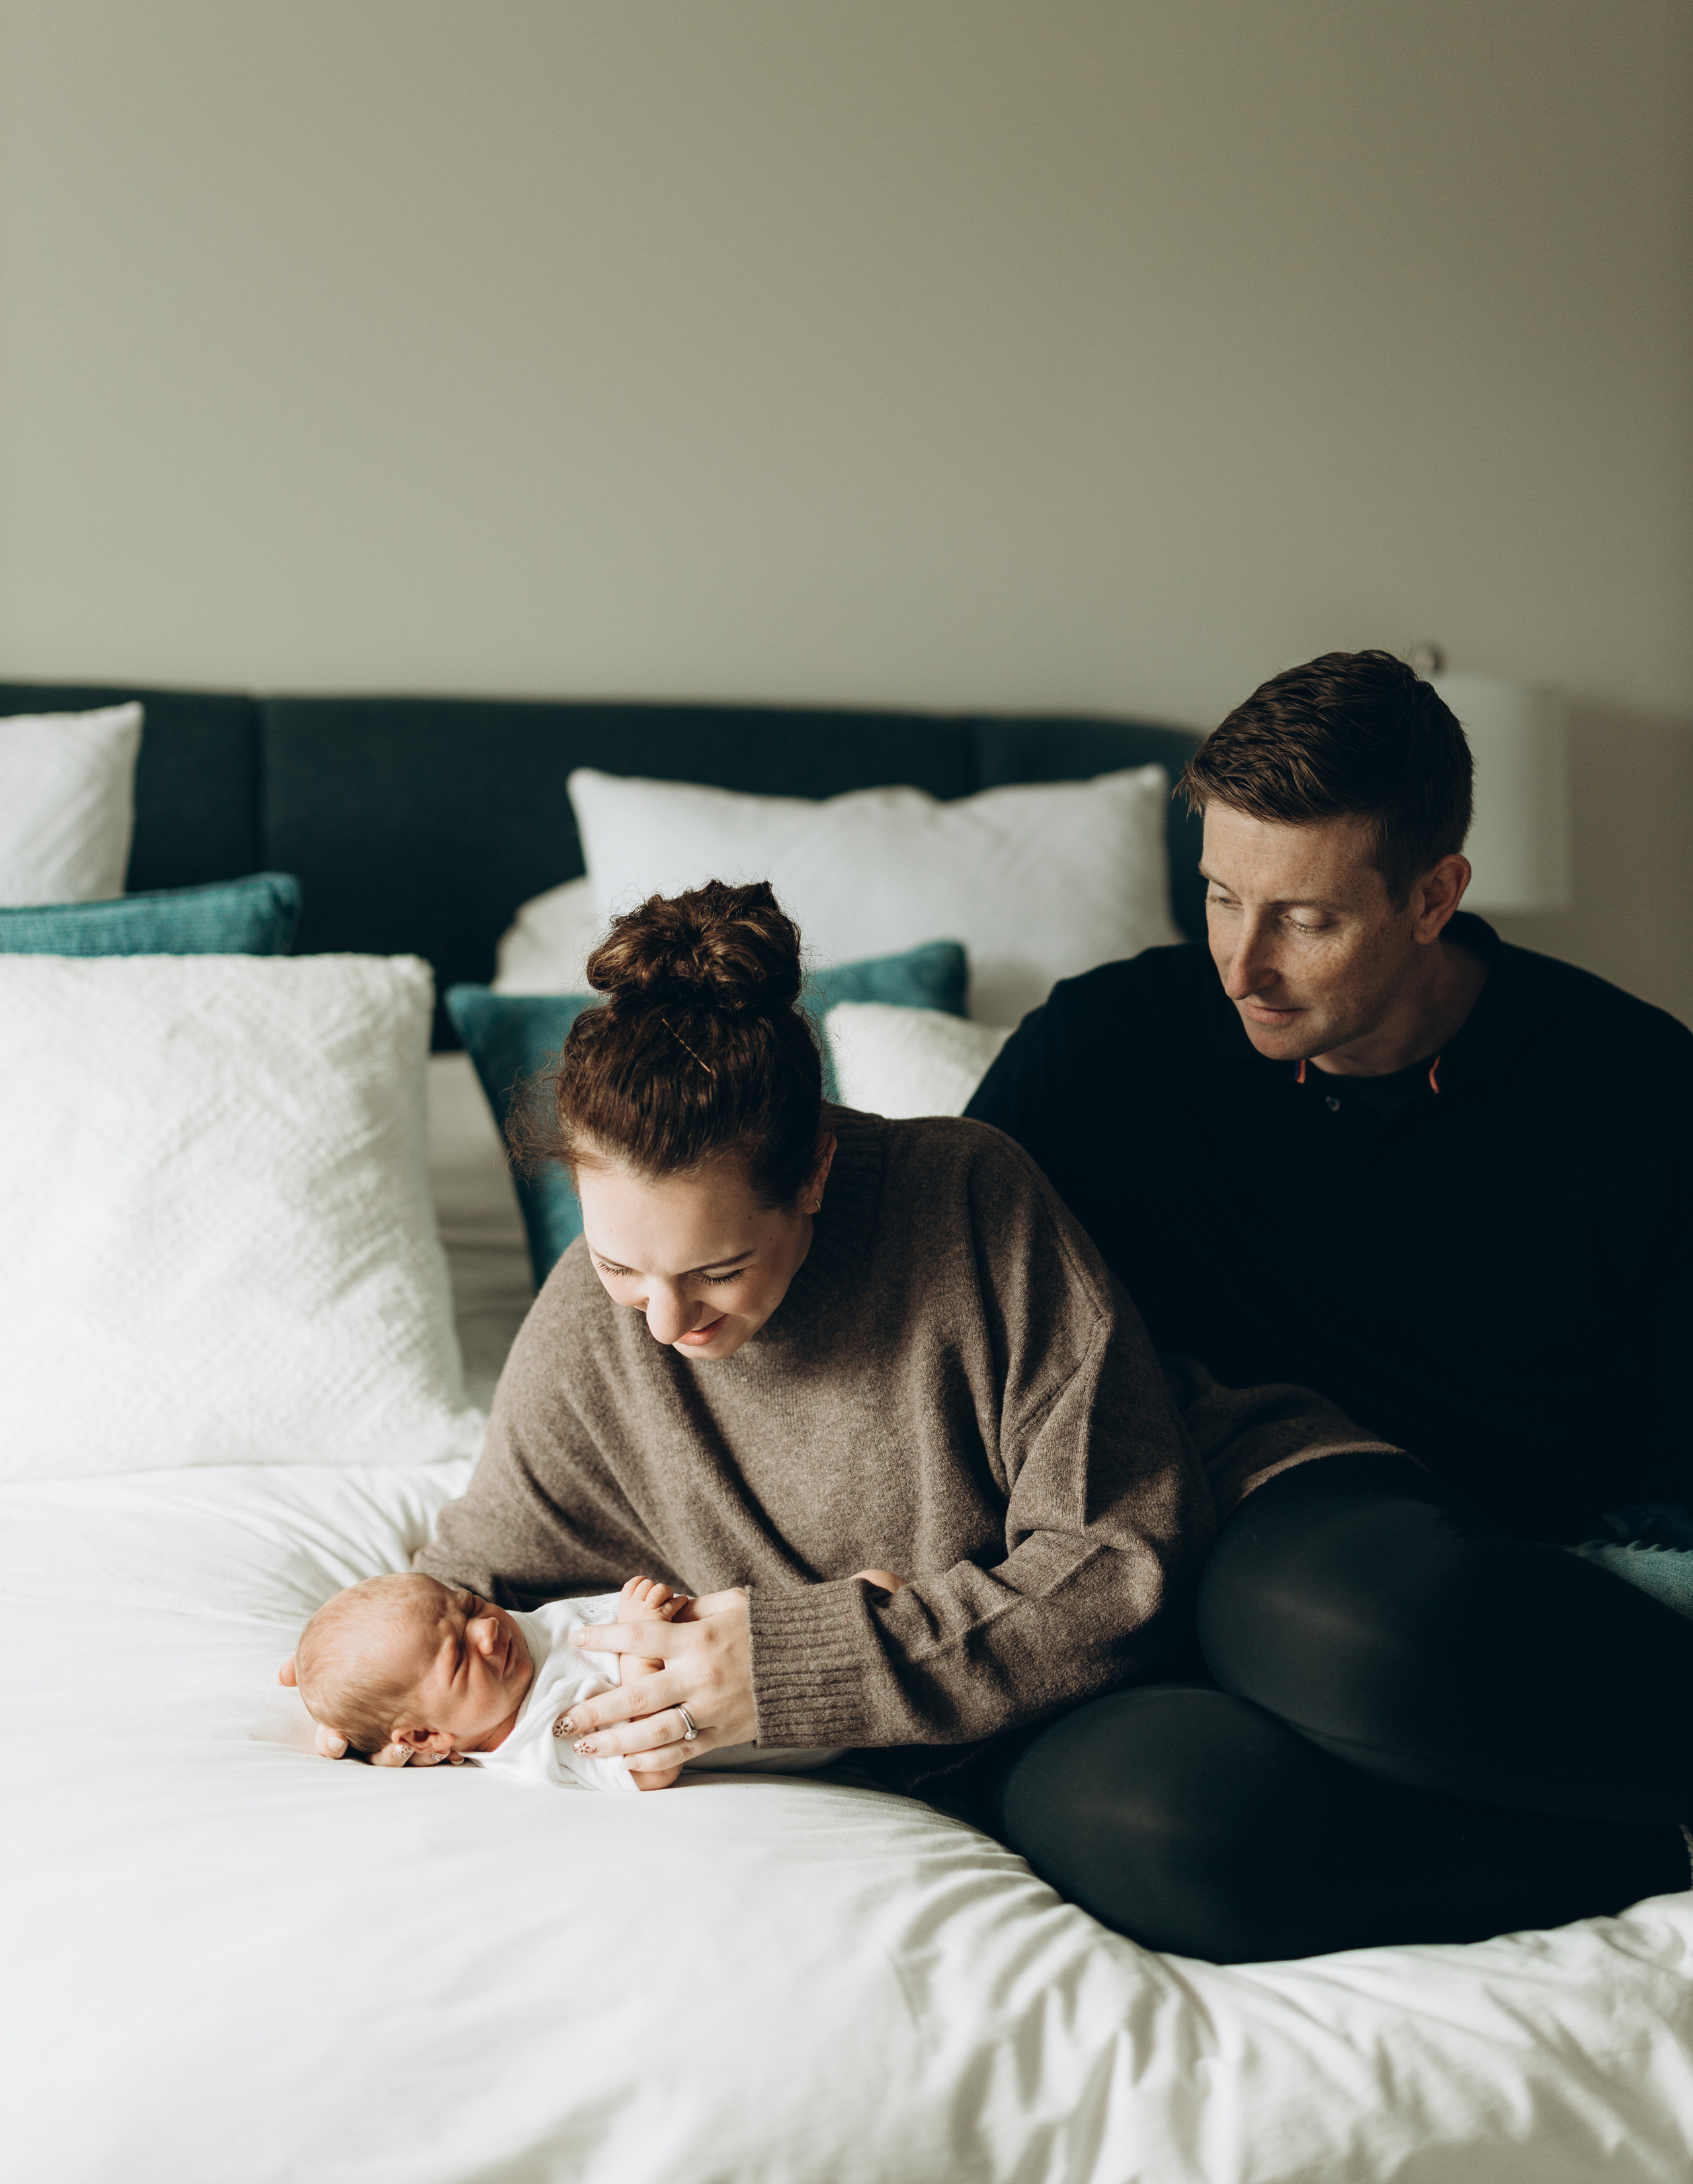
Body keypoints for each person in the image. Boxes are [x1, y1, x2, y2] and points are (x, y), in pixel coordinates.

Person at [305, 877, 1406, 1959]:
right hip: (986, 1721)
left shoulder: (967, 1196)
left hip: (1187, 1561)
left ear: (818, 1173)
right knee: (1204, 1835)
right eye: (622, 1266)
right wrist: (353, 1689)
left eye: (720, 1269)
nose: (667, 1321)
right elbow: (472, 1583)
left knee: (1394, 1652)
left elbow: (1118, 1560)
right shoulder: (589, 1325)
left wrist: (798, 1667)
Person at [966, 649, 1693, 1954]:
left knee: (1376, 1631)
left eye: (1301, 918)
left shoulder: (1635, 1087)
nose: (1240, 965)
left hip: (1475, 1619)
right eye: (1216, 898)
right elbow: (933, 1323)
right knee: (1162, 1827)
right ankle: (1648, 1850)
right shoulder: (1097, 1053)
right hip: (1143, 1596)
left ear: (1432, 896)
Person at [282, 1570, 689, 1791]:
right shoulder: (535, 1736)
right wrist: (643, 1649)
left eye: (470, 1605)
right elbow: (648, 1770)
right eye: (459, 1656)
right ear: (424, 1736)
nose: (486, 1631)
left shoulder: (514, 1652)